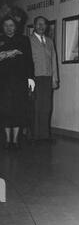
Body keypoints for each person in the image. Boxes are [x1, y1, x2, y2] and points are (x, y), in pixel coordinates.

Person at [0, 16, 35, 149]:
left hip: (19, 80)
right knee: (5, 110)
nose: (9, 28)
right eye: (6, 25)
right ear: (2, 27)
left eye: (11, 25)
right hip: (3, 81)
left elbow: (29, 60)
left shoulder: (23, 40)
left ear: (16, 26)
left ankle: (15, 141)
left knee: (18, 109)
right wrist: (8, 54)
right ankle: (8, 140)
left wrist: (31, 78)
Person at [29, 16, 59, 142]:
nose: (41, 26)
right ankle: (34, 136)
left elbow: (53, 60)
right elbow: (27, 61)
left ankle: (45, 135)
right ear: (34, 26)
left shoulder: (50, 41)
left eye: (44, 24)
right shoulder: (28, 41)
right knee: (35, 107)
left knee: (46, 107)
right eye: (38, 24)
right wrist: (28, 78)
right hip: (34, 78)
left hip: (47, 78)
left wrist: (54, 78)